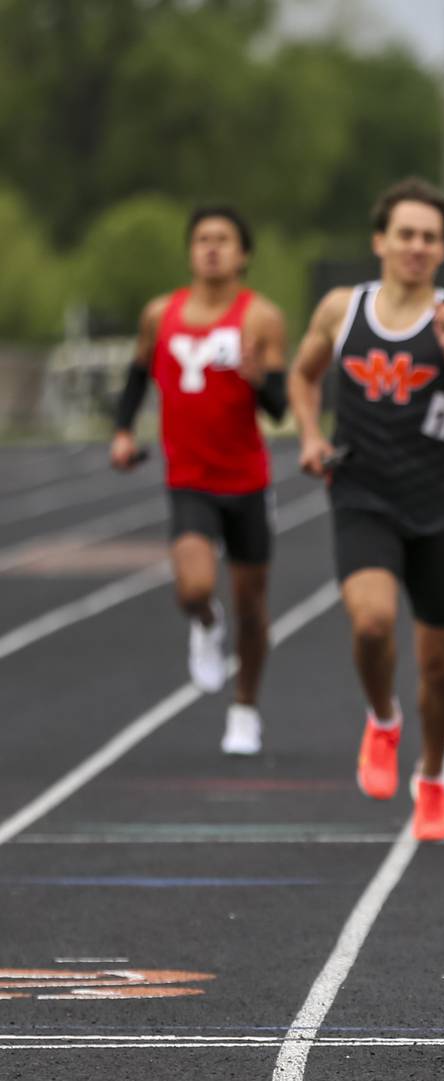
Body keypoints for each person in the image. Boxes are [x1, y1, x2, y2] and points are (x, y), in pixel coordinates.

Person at [287, 178, 444, 842]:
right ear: (380, 241)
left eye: (430, 237)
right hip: (360, 494)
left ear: (443, 249)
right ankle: (382, 718)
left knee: (440, 664)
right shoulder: (340, 309)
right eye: (405, 234)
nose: (417, 247)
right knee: (373, 623)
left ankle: (433, 777)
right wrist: (310, 436)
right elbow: (302, 375)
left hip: (434, 507)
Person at [111, 205, 287, 755]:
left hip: (247, 481)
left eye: (224, 239)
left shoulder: (260, 318)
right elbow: (139, 374)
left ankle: (245, 707)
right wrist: (121, 430)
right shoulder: (160, 314)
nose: (212, 247)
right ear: (191, 250)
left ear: (243, 254)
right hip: (189, 477)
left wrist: (259, 380)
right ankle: (205, 621)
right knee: (193, 588)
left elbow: (279, 409)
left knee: (253, 606)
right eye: (203, 239)